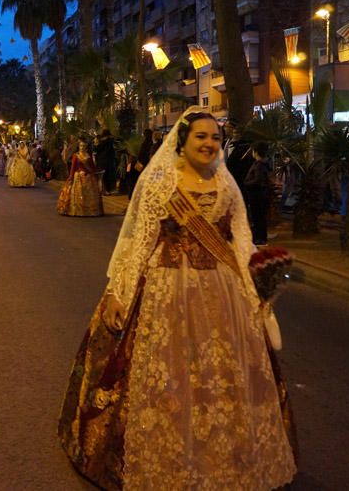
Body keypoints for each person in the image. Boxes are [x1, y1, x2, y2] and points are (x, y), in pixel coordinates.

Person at [58, 107, 297, 490]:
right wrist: (120, 293)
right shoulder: (160, 183)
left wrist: (256, 285)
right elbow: (140, 241)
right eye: (200, 136)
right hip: (165, 288)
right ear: (181, 141)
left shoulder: (226, 182)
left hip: (220, 291)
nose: (209, 143)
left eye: (215, 137)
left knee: (222, 378)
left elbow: (241, 239)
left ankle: (226, 460)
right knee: (169, 376)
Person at [57, 139, 103, 217]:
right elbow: (73, 167)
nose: (82, 147)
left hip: (88, 178)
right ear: (78, 146)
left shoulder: (88, 156)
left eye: (84, 146)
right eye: (81, 146)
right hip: (78, 178)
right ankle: (78, 210)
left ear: (86, 147)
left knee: (90, 195)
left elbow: (92, 167)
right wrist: (71, 177)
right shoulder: (76, 155)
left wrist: (96, 174)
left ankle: (90, 211)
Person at [244, 143, 273, 246]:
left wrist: (247, 183)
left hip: (257, 195)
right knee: (258, 217)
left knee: (258, 216)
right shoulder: (261, 164)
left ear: (255, 152)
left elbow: (257, 179)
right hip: (258, 194)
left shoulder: (259, 165)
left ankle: (260, 238)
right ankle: (259, 237)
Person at [95, 129, 117, 194]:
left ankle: (105, 190)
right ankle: (110, 189)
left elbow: (97, 149)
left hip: (103, 161)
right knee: (109, 175)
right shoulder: (112, 141)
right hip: (110, 161)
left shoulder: (103, 141)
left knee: (104, 176)